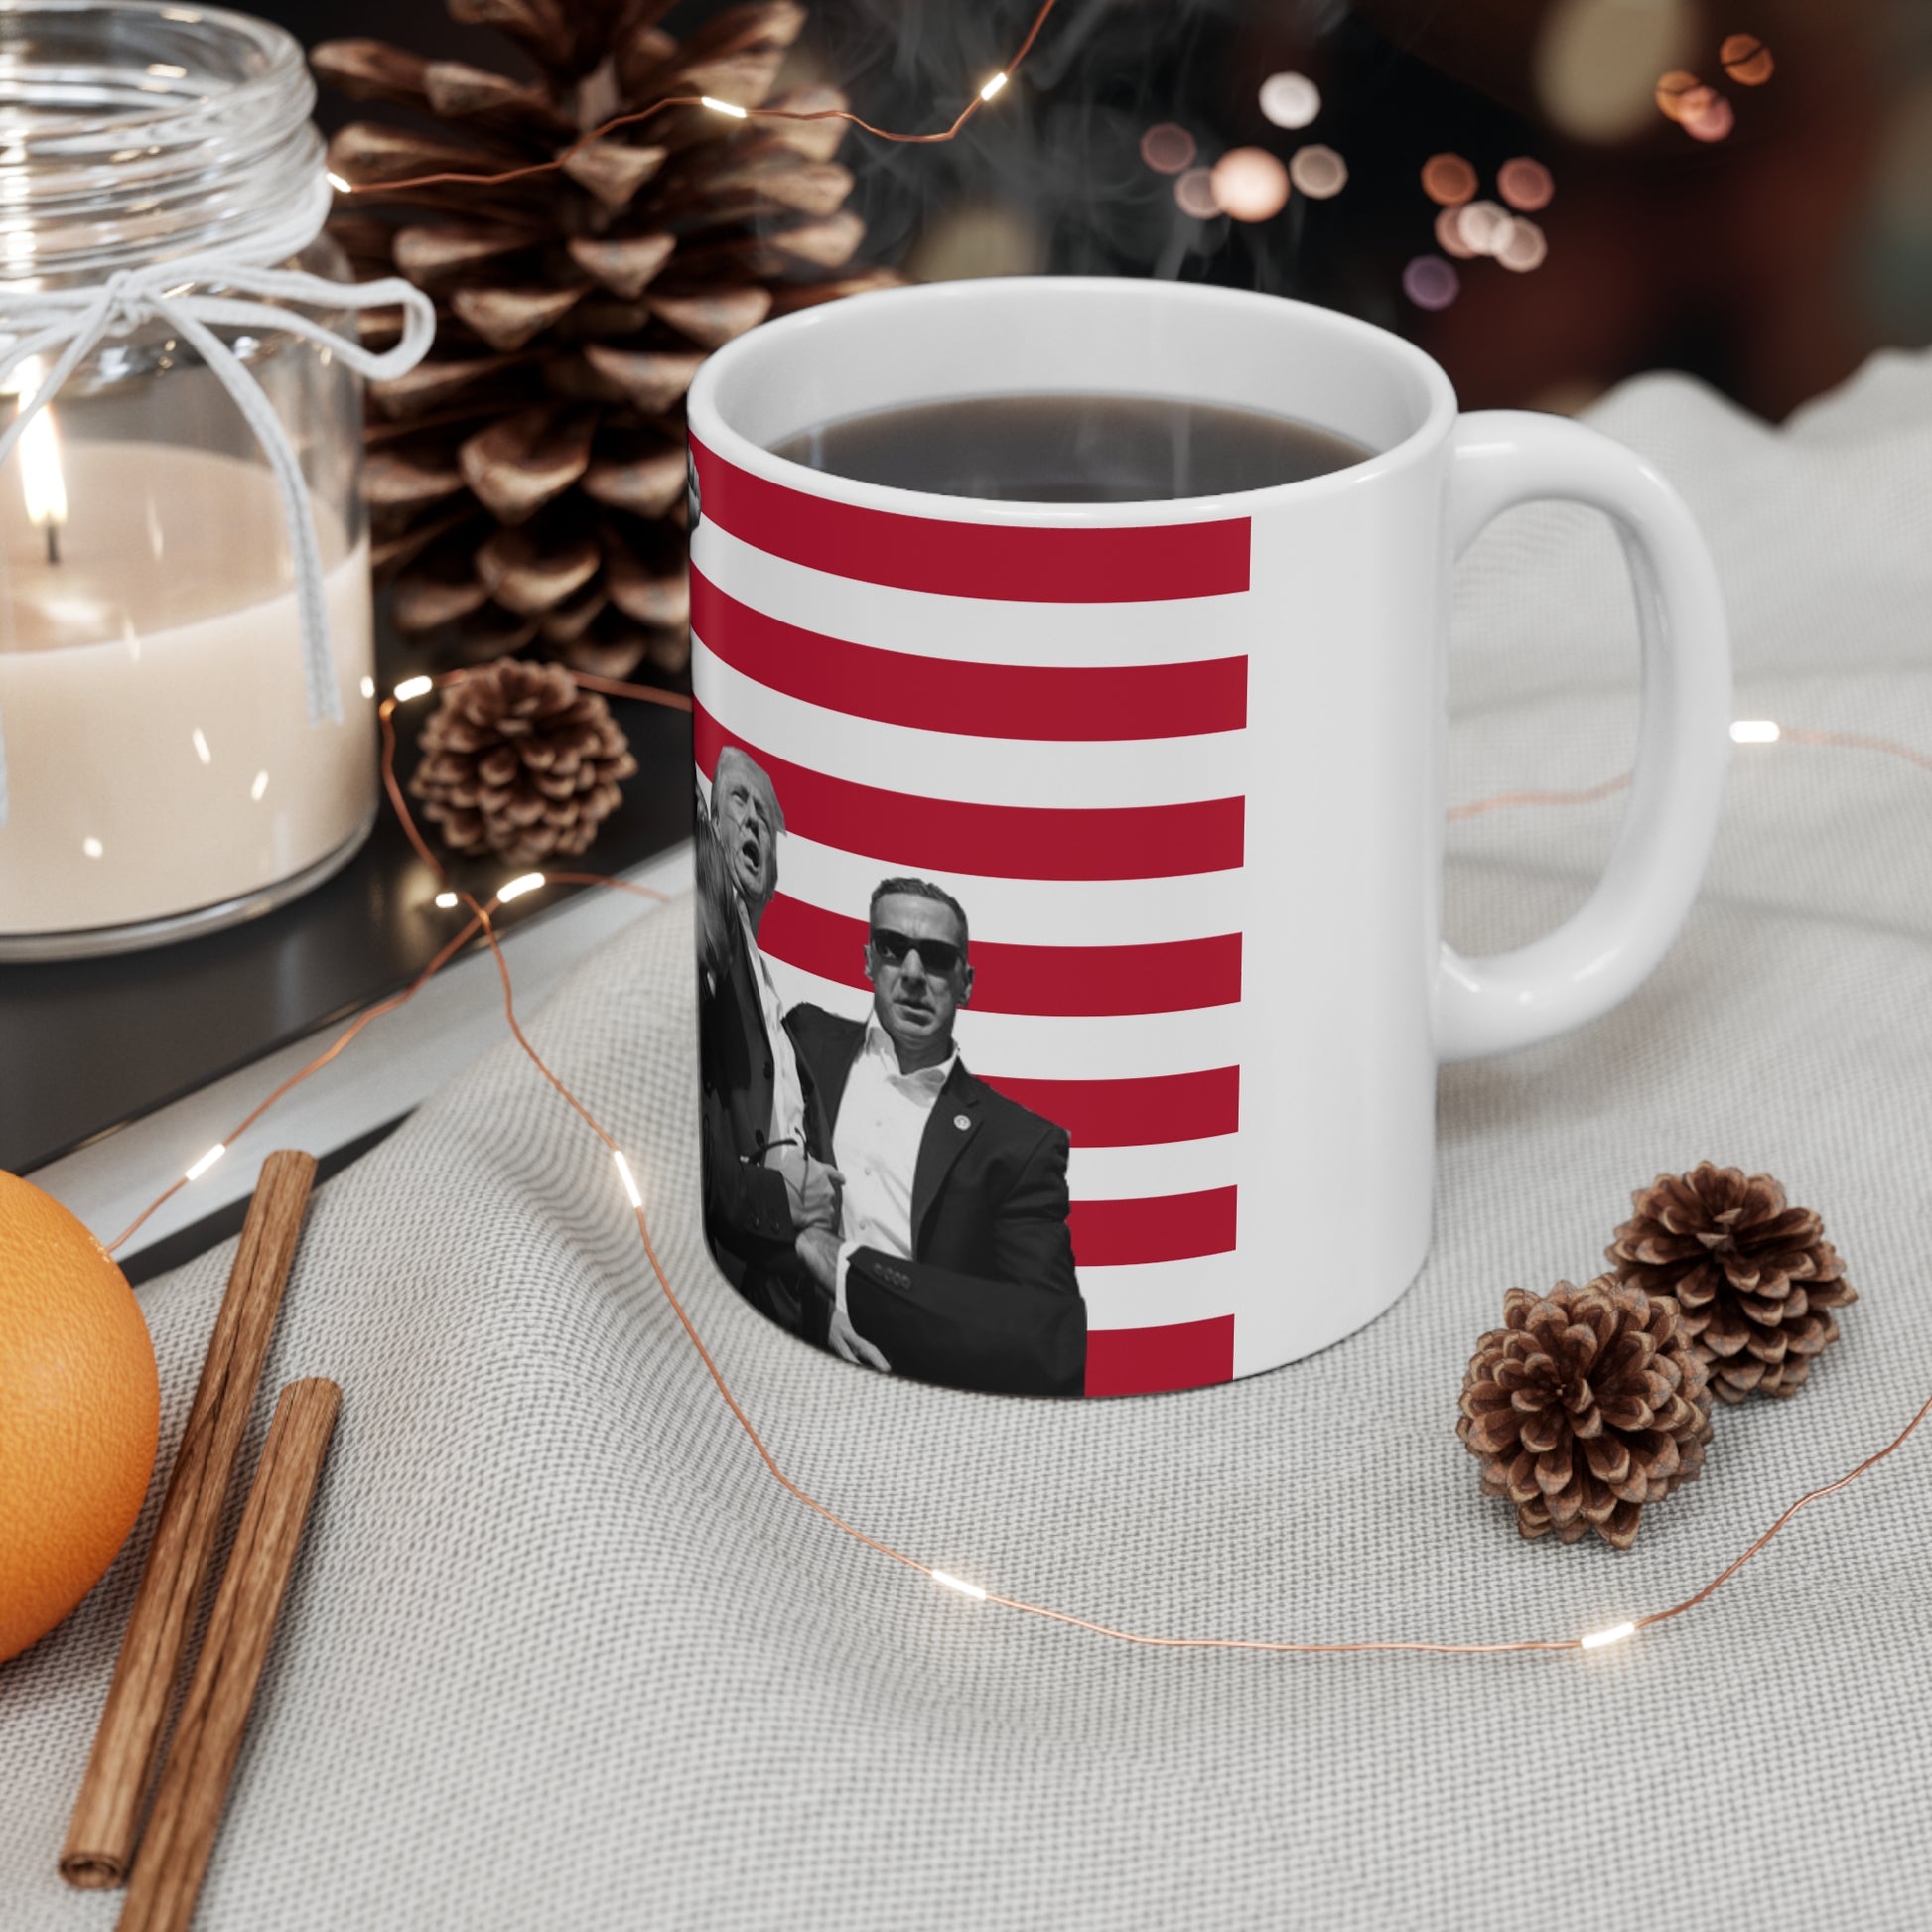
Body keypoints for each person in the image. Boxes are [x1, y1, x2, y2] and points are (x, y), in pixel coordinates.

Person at [785, 878, 1087, 1397]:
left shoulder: (1018, 1144)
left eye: (937, 957)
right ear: (867, 960)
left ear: (967, 983)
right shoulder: (803, 1042)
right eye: (893, 947)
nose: (913, 973)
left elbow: (1048, 1335)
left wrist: (849, 1271)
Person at [695, 749, 843, 1340]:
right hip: (731, 1285)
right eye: (738, 801)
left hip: (793, 1287)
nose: (754, 820)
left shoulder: (787, 1023)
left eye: (765, 813)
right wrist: (782, 1200)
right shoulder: (705, 951)